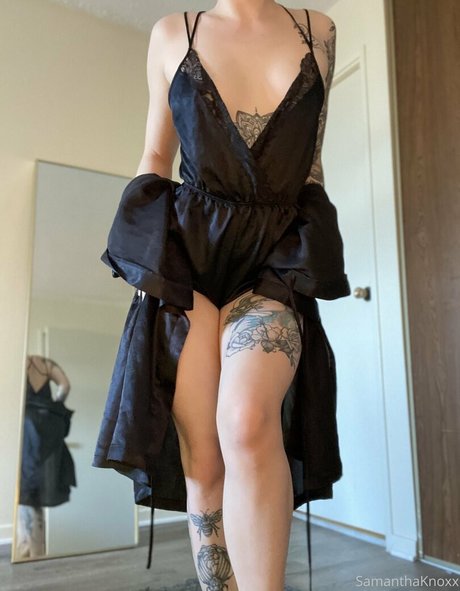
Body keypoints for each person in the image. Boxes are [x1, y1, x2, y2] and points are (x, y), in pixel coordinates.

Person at [93, 2, 351, 591]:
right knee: (204, 458)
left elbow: (310, 166)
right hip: (189, 254)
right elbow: (156, 156)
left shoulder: (319, 30)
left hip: (275, 255)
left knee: (246, 418)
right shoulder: (172, 33)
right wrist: (144, 260)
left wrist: (313, 249)